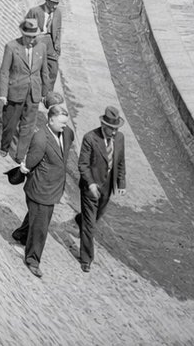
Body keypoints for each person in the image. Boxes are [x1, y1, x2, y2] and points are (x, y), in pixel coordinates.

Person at [11, 104, 74, 278]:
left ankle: (20, 234)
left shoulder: (66, 133)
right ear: (51, 120)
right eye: (62, 123)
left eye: (66, 123)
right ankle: (32, 260)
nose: (65, 126)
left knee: (37, 216)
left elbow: (66, 146)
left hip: (52, 187)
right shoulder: (40, 138)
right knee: (40, 227)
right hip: (41, 189)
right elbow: (31, 162)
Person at [77, 106, 127, 273]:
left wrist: (121, 183)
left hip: (107, 187)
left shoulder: (119, 138)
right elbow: (83, 165)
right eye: (111, 129)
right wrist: (91, 184)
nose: (114, 132)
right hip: (90, 187)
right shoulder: (90, 138)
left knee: (96, 216)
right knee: (90, 224)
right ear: (103, 125)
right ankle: (86, 258)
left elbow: (120, 161)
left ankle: (80, 219)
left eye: (116, 128)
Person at [0, 18, 50, 162]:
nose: (31, 40)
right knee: (10, 124)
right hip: (15, 91)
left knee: (28, 126)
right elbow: (4, 72)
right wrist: (3, 93)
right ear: (23, 34)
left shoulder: (41, 48)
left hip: (33, 93)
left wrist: (45, 93)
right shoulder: (11, 47)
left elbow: (44, 71)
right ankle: (4, 147)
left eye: (34, 37)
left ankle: (20, 155)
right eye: (28, 37)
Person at [26, 0, 63, 89]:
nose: (55, 6)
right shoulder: (34, 11)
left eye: (57, 3)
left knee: (53, 69)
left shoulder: (58, 13)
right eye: (53, 3)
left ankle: (48, 91)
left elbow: (58, 30)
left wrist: (57, 46)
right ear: (47, 0)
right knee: (36, 67)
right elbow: (26, 29)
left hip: (50, 42)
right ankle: (33, 88)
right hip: (38, 40)